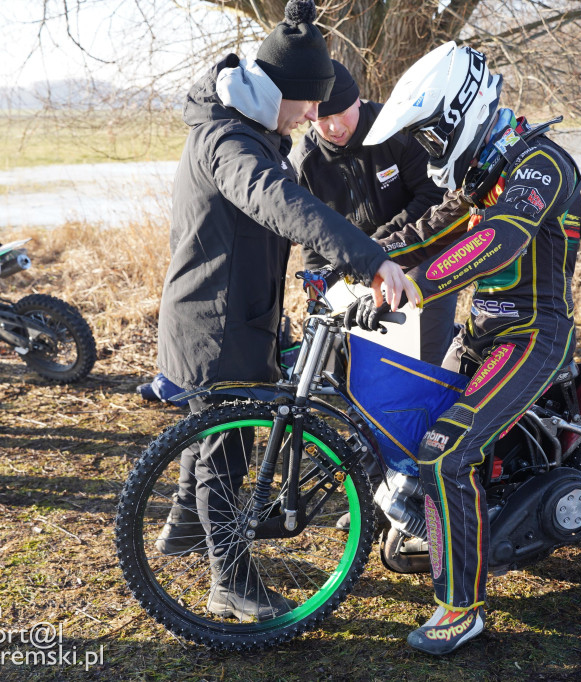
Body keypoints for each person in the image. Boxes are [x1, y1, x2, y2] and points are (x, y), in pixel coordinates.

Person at [153, 0, 416, 623]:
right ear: (277, 92)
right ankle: (231, 584)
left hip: (227, 316)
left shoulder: (247, 128)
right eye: (304, 106)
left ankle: (183, 529)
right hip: (214, 325)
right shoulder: (229, 142)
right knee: (227, 452)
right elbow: (275, 200)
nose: (309, 119)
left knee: (207, 433)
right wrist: (368, 258)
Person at [350, 41, 581, 654]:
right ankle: (446, 529)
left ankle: (463, 610)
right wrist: (363, 264)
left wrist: (412, 287)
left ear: (460, 114)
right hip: (482, 335)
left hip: (533, 336)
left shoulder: (542, 165)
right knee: (415, 433)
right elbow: (430, 228)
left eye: (431, 138)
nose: (429, 152)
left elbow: (501, 241)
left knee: (445, 452)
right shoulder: (485, 177)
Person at [290, 60, 454, 364]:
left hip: (421, 254)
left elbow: (434, 198)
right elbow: (312, 236)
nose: (334, 128)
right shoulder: (305, 161)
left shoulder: (396, 130)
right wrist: (318, 289)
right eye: (323, 119)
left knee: (425, 361)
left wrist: (374, 247)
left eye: (341, 114)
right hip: (354, 267)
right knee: (353, 368)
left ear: (358, 100)